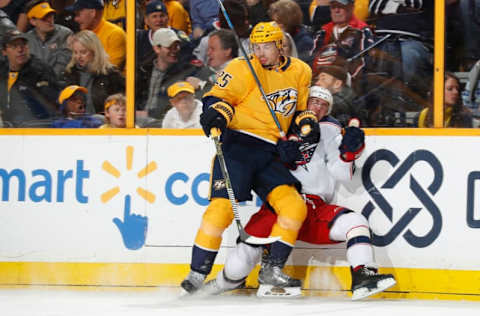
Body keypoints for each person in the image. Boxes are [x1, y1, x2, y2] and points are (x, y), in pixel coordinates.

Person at [200, 86, 397, 299]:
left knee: (356, 223)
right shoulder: (279, 123)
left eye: (324, 105)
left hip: (313, 209)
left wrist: (349, 153)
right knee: (239, 263)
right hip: (278, 207)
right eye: (314, 101)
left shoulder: (330, 129)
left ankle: (363, 277)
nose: (318, 107)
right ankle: (216, 287)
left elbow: (342, 174)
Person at [181, 21, 316, 295]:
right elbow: (217, 98)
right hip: (238, 146)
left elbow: (298, 111)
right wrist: (217, 114)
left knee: (293, 207)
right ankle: (197, 273)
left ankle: (273, 269)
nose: (260, 52)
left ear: (281, 45)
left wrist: (306, 126)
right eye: (255, 46)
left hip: (270, 151)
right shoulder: (241, 68)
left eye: (266, 46)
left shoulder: (301, 71)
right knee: (221, 210)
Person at [0, 29, 62, 126]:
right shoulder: (2, 70)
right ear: (4, 51)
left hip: (35, 127)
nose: (20, 50)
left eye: (23, 45)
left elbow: (53, 106)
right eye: (14, 46)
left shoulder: (40, 70)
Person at [140, 28, 200, 121]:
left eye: (176, 46)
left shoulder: (185, 71)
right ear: (157, 48)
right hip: (137, 120)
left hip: (165, 121)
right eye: (169, 47)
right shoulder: (142, 70)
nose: (174, 50)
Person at [63, 30, 125, 114]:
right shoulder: (70, 73)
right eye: (75, 52)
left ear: (95, 51)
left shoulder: (111, 74)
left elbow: (122, 104)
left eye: (83, 52)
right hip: (77, 123)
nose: (78, 56)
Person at [311, 0, 373, 80]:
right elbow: (312, 58)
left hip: (345, 81)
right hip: (318, 78)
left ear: (351, 8)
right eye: (333, 7)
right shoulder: (323, 32)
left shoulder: (362, 31)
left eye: (341, 6)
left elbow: (364, 63)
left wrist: (345, 80)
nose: (336, 10)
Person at [69, 0, 126, 69]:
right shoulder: (81, 34)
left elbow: (108, 70)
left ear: (93, 13)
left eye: (78, 14)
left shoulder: (115, 34)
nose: (75, 19)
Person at [24, 0, 73, 77]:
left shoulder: (65, 34)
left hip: (59, 83)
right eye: (44, 18)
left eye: (50, 15)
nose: (50, 20)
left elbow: (62, 66)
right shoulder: (26, 40)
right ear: (33, 21)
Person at [186, 29, 238, 97]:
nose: (208, 53)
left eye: (213, 49)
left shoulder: (237, 71)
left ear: (227, 51)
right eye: (208, 49)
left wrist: (202, 85)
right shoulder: (206, 70)